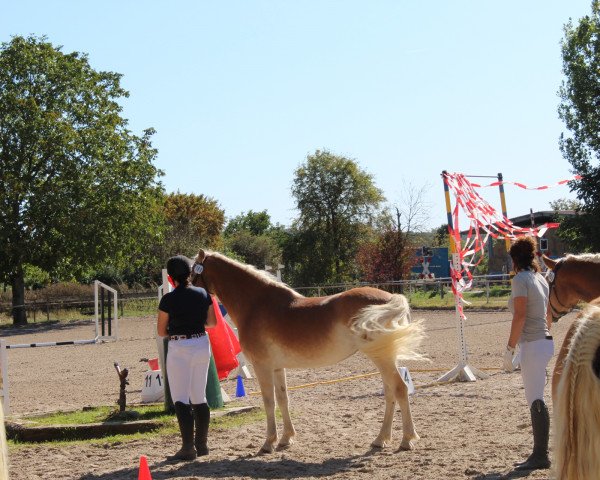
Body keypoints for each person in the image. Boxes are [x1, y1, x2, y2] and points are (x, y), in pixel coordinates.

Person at [157, 255, 217, 462]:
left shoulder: (168, 299)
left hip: (179, 346)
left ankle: (187, 447)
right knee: (199, 396)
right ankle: (202, 445)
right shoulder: (202, 293)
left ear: (171, 278)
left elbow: (161, 331)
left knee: (181, 398)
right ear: (190, 273)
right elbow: (212, 323)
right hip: (201, 343)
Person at [502, 236, 554, 471]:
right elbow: (548, 315)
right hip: (543, 341)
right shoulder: (540, 279)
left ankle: (540, 455)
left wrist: (510, 347)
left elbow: (520, 315)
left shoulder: (520, 280)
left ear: (514, 259)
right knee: (537, 396)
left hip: (532, 343)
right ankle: (539, 453)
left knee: (535, 398)